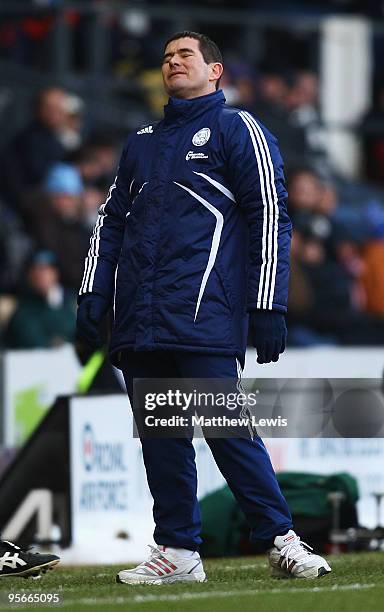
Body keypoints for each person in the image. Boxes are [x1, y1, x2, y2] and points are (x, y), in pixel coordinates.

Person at [76, 31, 331, 583]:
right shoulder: (140, 141)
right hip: (142, 321)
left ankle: (283, 539)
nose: (172, 63)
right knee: (162, 440)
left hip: (203, 314)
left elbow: (271, 213)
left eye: (184, 55)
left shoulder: (239, 128)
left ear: (215, 70)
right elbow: (110, 221)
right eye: (166, 57)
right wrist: (93, 293)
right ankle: (178, 552)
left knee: (227, 429)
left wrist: (269, 304)